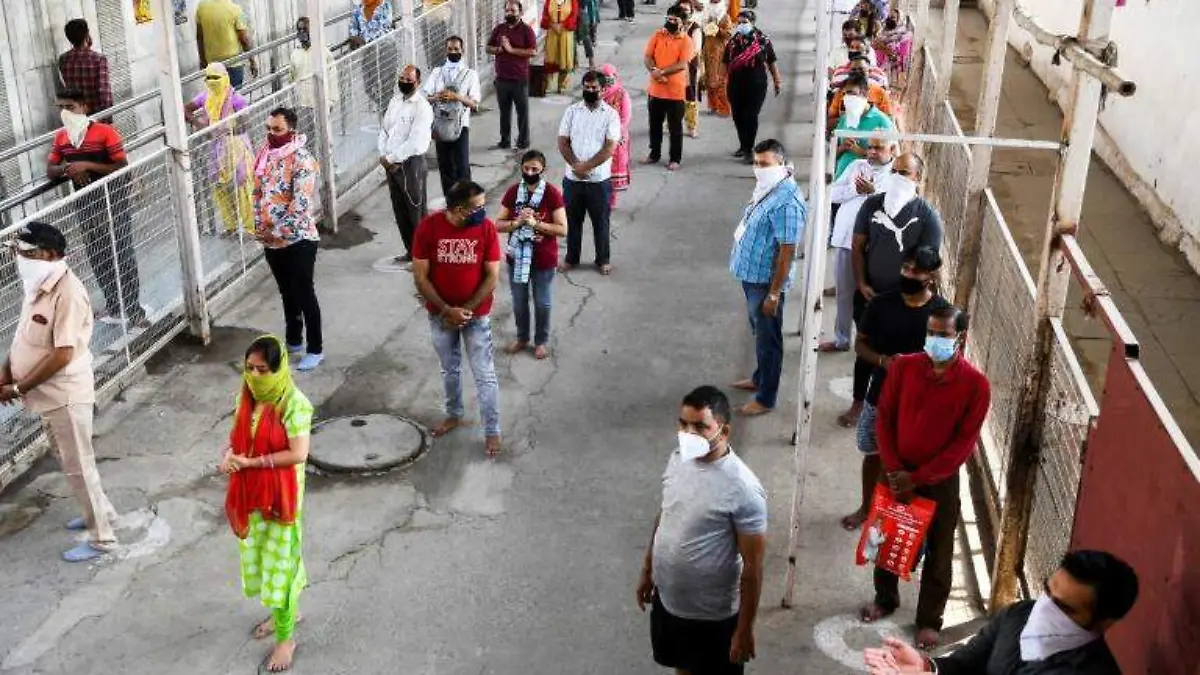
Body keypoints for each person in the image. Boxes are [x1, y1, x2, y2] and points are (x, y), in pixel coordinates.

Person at [858, 306, 990, 650]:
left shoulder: (976, 385)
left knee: (940, 550)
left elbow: (962, 445)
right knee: (886, 537)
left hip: (938, 479)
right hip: (895, 471)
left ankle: (929, 620)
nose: (935, 340)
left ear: (959, 337)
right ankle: (885, 598)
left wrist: (917, 478)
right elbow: (884, 417)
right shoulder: (903, 366)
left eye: (943, 334)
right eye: (931, 332)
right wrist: (893, 467)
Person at [0, 223, 118, 562]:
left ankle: (103, 538)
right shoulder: (37, 284)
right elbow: (26, 335)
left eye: (26, 253)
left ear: (50, 255)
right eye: (16, 252)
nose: (19, 258)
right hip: (47, 397)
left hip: (65, 394)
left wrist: (19, 386)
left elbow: (62, 353)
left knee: (78, 466)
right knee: (71, 461)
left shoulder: (68, 292)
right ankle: (100, 512)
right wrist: (8, 368)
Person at [637, 385, 767, 675]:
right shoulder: (677, 459)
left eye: (700, 426)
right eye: (683, 424)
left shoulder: (743, 488)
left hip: (712, 619)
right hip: (670, 603)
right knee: (683, 668)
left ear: (724, 431)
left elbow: (753, 569)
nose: (689, 434)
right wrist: (648, 569)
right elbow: (666, 514)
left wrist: (744, 630)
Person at [864, 550, 1139, 674]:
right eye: (1047, 590)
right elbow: (966, 664)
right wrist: (927, 666)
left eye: (1064, 608)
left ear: (1104, 623)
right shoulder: (1019, 615)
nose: (1044, 608)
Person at [218, 335, 314, 673]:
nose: (255, 377)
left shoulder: (294, 403)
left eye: (263, 370)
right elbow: (235, 440)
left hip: (280, 502)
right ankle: (287, 613)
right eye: (249, 369)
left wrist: (250, 464)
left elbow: (298, 453)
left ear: (279, 368)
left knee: (280, 568)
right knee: (270, 560)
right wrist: (229, 457)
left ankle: (286, 639)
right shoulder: (246, 398)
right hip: (252, 497)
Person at [841, 247, 949, 532]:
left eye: (916, 271)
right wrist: (883, 361)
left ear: (930, 276)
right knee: (873, 452)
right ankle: (866, 508)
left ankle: (900, 514)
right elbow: (861, 344)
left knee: (910, 460)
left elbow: (948, 359)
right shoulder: (882, 303)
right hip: (883, 392)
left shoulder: (939, 313)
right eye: (906, 268)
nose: (908, 275)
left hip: (919, 401)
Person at [840, 153, 942, 427]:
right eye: (895, 171)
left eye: (905, 172)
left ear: (918, 178)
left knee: (903, 356)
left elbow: (928, 260)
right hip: (870, 295)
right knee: (866, 349)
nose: (898, 177)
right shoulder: (873, 205)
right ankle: (859, 403)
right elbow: (858, 246)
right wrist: (861, 283)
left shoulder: (927, 215)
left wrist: (909, 291)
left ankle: (895, 408)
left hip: (905, 301)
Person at [412, 181, 503, 458]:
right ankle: (454, 414)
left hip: (476, 316)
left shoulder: (486, 229)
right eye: (478, 207)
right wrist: (444, 310)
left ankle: (492, 430)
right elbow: (420, 276)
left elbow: (492, 276)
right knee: (449, 369)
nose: (483, 211)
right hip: (440, 316)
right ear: (460, 210)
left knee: (484, 374)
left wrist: (466, 310)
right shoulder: (428, 227)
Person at [47, 88, 148, 327]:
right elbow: (50, 170)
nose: (65, 112)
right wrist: (68, 169)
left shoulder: (105, 133)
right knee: (98, 254)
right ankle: (113, 304)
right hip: (85, 204)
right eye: (61, 107)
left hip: (113, 199)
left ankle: (134, 310)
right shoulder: (63, 138)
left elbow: (122, 167)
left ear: (84, 108)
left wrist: (85, 164)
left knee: (122, 251)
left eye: (70, 107)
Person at [729, 139, 805, 416]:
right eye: (756, 163)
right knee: (759, 333)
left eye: (766, 164)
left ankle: (766, 397)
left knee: (768, 339)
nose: (759, 168)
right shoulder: (769, 188)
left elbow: (787, 251)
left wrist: (774, 293)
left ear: (781, 164)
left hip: (765, 283)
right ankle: (760, 378)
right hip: (751, 276)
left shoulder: (787, 202)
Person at [253, 107, 324, 372]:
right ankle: (293, 339)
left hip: (299, 239)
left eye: (278, 129)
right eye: (269, 129)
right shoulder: (265, 154)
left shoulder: (301, 159)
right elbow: (257, 192)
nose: (272, 134)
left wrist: (278, 231)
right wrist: (260, 226)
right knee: (286, 292)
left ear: (291, 130)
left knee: (304, 292)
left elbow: (301, 203)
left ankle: (315, 348)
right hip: (272, 240)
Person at [821, 136, 895, 354]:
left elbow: (894, 209)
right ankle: (842, 339)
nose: (872, 152)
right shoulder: (856, 166)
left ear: (891, 149)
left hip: (876, 247)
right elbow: (832, 193)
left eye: (878, 148)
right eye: (870, 147)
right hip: (846, 240)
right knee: (844, 292)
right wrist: (854, 191)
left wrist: (874, 194)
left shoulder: (895, 176)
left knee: (873, 295)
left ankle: (872, 340)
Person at [495, 150, 568, 359]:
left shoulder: (552, 194)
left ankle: (541, 341)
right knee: (519, 302)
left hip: (543, 259)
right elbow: (497, 224)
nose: (529, 172)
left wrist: (537, 224)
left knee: (542, 302)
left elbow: (563, 229)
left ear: (543, 170)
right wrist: (517, 222)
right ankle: (522, 337)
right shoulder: (512, 193)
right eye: (526, 168)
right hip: (517, 257)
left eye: (534, 169)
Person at [557, 70, 622, 275]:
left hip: (599, 180)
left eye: (594, 88)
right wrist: (576, 164)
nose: (590, 91)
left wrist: (587, 166)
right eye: (587, 87)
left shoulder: (611, 115)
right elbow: (563, 141)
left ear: (603, 90)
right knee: (573, 221)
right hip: (572, 179)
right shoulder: (572, 111)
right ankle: (571, 258)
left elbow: (610, 147)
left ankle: (602, 260)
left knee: (600, 221)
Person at [186, 63, 256, 239]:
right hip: (217, 148)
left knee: (242, 185)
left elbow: (247, 123)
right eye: (208, 78)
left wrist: (230, 126)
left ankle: (249, 227)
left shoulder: (236, 99)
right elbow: (186, 108)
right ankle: (230, 226)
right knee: (219, 186)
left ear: (225, 78)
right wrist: (200, 124)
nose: (212, 82)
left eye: (216, 78)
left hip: (237, 146)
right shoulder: (205, 97)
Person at [378, 65, 433, 264]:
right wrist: (384, 155)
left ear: (418, 83)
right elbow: (384, 130)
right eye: (402, 77)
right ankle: (410, 250)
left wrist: (392, 159)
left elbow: (415, 141)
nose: (404, 82)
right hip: (390, 163)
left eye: (409, 79)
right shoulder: (394, 101)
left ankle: (423, 253)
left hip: (410, 164)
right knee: (400, 209)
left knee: (416, 210)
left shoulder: (422, 107)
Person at [422, 36, 481, 198]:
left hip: (461, 126)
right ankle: (450, 203)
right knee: (445, 166)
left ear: (462, 50)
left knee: (462, 166)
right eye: (450, 49)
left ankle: (467, 201)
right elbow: (425, 98)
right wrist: (437, 98)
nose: (453, 52)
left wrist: (457, 97)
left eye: (456, 49)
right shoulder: (437, 72)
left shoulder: (470, 74)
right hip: (440, 125)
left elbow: (475, 104)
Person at [724, 10, 782, 164]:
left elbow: (771, 62)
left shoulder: (763, 42)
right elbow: (725, 64)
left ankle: (749, 149)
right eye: (739, 22)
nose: (741, 25)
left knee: (750, 116)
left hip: (756, 85)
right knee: (738, 116)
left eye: (745, 22)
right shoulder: (732, 43)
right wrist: (722, 81)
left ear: (753, 23)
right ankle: (743, 145)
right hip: (735, 85)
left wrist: (777, 81)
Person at [642, 5, 696, 171]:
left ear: (682, 22)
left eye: (674, 20)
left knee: (675, 127)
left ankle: (675, 158)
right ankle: (654, 154)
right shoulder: (658, 34)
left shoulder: (686, 41)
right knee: (655, 124)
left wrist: (662, 72)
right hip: (655, 90)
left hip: (674, 92)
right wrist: (653, 71)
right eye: (668, 19)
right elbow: (647, 56)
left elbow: (682, 64)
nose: (670, 22)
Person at [487, 1, 538, 150]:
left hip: (519, 79)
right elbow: (488, 47)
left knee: (522, 112)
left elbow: (533, 51)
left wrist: (511, 50)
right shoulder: (499, 29)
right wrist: (498, 49)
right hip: (502, 79)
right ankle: (505, 140)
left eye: (513, 10)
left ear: (520, 13)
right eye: (507, 10)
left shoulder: (526, 30)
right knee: (504, 112)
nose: (509, 13)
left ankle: (523, 142)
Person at [832, 74, 894, 179]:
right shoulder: (845, 119)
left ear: (865, 93)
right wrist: (843, 148)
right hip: (840, 181)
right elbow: (832, 154)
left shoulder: (882, 121)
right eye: (845, 94)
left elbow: (888, 160)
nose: (847, 98)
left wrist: (860, 151)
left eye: (851, 93)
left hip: (865, 185)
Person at [57, 19, 113, 124]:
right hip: (96, 119)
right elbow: (104, 94)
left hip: (76, 119)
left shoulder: (63, 59)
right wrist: (108, 121)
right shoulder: (99, 59)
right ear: (87, 34)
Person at [348, 0, 396, 113]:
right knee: (368, 87)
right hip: (368, 51)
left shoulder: (384, 4)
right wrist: (354, 37)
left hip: (386, 48)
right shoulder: (358, 8)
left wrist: (364, 38)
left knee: (386, 85)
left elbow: (384, 26)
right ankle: (384, 107)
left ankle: (387, 113)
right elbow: (353, 28)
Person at [289, 17, 339, 127]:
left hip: (320, 101)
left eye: (305, 29)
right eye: (299, 30)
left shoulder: (323, 52)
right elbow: (291, 80)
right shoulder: (294, 54)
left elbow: (332, 76)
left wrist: (331, 101)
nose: (302, 32)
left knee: (323, 134)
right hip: (302, 103)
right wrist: (292, 103)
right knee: (306, 136)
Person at [195, 0, 257, 88]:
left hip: (212, 65)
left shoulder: (201, 7)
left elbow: (199, 37)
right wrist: (252, 61)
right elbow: (244, 40)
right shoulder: (235, 9)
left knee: (217, 98)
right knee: (233, 97)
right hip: (233, 64)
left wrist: (202, 60)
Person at [828, 52, 893, 129]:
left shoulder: (880, 92)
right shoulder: (841, 91)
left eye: (861, 69)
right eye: (853, 69)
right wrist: (846, 121)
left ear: (869, 72)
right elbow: (830, 121)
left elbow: (889, 121)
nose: (857, 72)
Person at [599, 64, 633, 206]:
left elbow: (625, 117)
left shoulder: (622, 94)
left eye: (610, 77)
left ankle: (611, 199)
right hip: (599, 138)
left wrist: (615, 134)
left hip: (616, 138)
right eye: (604, 78)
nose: (608, 81)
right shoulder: (597, 94)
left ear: (615, 77)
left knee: (613, 169)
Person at [701, 0, 734, 117]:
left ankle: (724, 107)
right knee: (709, 80)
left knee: (721, 81)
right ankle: (713, 106)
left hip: (720, 53)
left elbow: (729, 35)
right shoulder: (706, 18)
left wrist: (718, 30)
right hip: (708, 52)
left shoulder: (725, 18)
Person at [541, 0, 580, 94]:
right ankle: (548, 85)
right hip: (552, 32)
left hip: (566, 34)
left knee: (565, 59)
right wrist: (551, 24)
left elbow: (574, 16)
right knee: (550, 58)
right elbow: (545, 15)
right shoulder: (549, 1)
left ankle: (562, 85)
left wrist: (563, 25)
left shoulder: (572, 1)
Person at [681, 1, 703, 138]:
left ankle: (691, 126)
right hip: (672, 65)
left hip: (689, 67)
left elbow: (695, 50)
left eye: (686, 9)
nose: (683, 12)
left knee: (690, 96)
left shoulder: (695, 28)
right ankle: (668, 122)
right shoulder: (672, 25)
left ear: (691, 11)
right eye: (681, 9)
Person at [874, 9, 913, 90]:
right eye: (888, 17)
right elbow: (874, 45)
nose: (889, 19)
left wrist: (882, 47)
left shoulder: (904, 35)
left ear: (899, 20)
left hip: (892, 71)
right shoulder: (882, 31)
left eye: (892, 18)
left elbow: (900, 55)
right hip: (877, 66)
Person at [576, 0, 600, 71]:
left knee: (585, 36)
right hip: (572, 8)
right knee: (572, 36)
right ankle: (575, 62)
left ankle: (591, 61)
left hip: (581, 9)